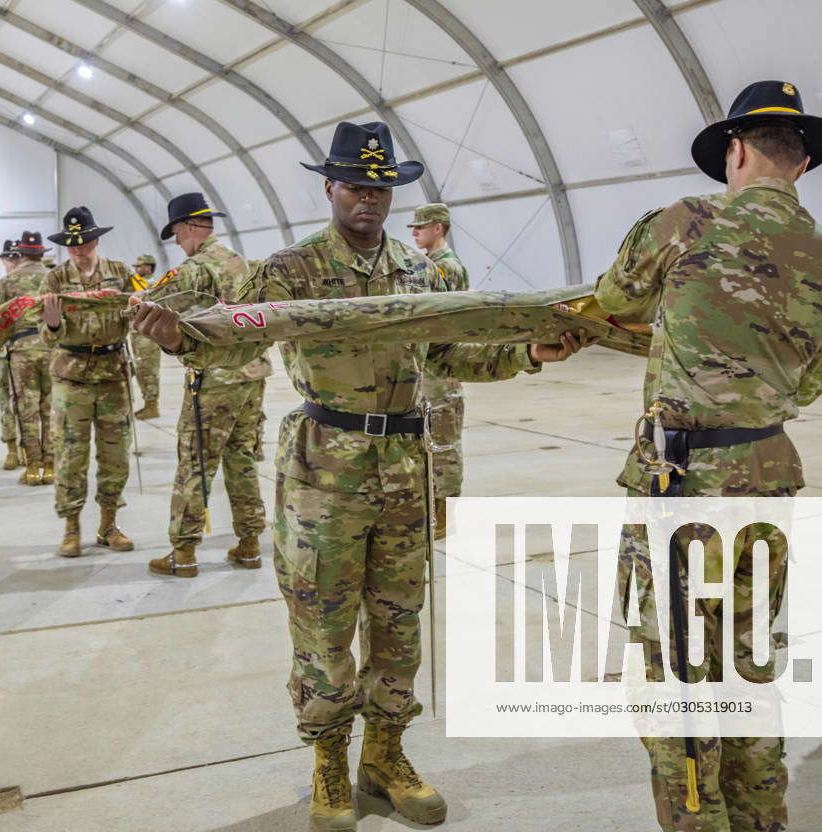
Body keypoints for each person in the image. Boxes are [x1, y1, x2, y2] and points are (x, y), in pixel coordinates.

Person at [132, 121, 591, 832]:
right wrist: (180, 339)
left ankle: (386, 755)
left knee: (400, 621)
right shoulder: (292, 269)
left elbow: (449, 355)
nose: (369, 200)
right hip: (327, 469)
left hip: (407, 465)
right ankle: (327, 760)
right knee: (323, 621)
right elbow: (237, 341)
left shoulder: (420, 270)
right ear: (331, 189)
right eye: (355, 186)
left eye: (380, 188)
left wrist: (528, 351)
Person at [594, 80, 822, 832]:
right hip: (767, 481)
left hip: (685, 486)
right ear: (801, 164)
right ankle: (762, 817)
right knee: (750, 663)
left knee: (675, 677)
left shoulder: (684, 222)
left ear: (735, 150)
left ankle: (698, 822)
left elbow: (617, 298)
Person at [144, 193, 271, 579]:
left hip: (215, 377)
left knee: (196, 462)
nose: (178, 243)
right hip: (253, 374)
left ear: (186, 228)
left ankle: (183, 552)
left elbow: (149, 305)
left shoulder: (194, 269)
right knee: (242, 459)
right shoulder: (244, 264)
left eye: (177, 235)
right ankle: (250, 545)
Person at [40, 207, 133, 558]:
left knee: (115, 454)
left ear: (95, 239)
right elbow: (46, 337)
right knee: (70, 454)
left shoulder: (120, 273)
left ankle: (109, 525)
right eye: (72, 244)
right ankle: (71, 527)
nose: (79, 250)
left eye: (84, 243)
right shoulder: (55, 279)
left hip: (112, 374)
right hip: (72, 376)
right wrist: (51, 322)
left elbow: (136, 314)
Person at [408, 203, 469, 538]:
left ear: (439, 228)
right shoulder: (430, 265)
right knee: (430, 443)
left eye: (421, 227)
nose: (415, 232)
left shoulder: (447, 268)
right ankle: (433, 509)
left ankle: (445, 514)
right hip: (428, 370)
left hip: (442, 373)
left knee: (444, 446)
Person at [0, 232, 55, 486]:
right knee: (50, 408)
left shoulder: (9, 280)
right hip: (51, 348)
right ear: (42, 254)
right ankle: (51, 466)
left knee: (26, 410)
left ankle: (32, 467)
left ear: (21, 254)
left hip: (20, 351)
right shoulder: (54, 278)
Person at [0, 241, 24, 469]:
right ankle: (11, 448)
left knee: (30, 403)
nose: (12, 263)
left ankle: (29, 449)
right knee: (5, 403)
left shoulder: (36, 287)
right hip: (2, 355)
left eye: (16, 258)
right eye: (8, 259)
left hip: (27, 353)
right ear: (3, 261)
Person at [128, 254, 162, 420]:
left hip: (147, 335)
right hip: (138, 334)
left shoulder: (151, 285)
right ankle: (149, 404)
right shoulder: (139, 284)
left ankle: (152, 406)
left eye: (140, 266)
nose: (136, 269)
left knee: (148, 370)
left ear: (149, 267)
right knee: (141, 370)